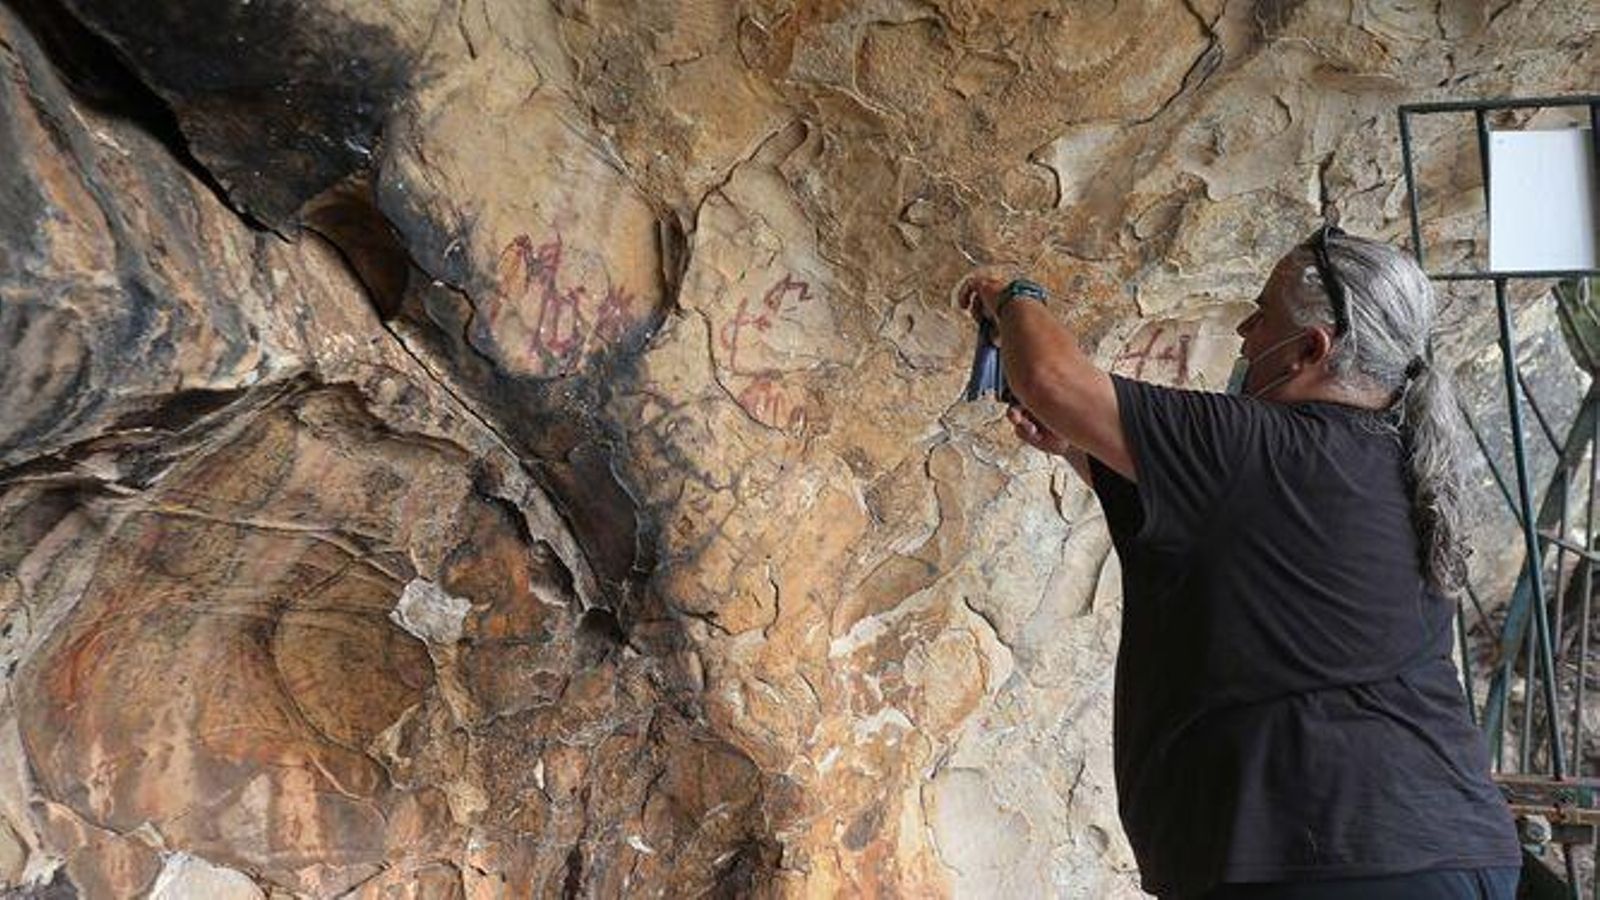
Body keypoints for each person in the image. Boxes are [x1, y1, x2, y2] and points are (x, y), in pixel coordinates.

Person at [958, 227, 1523, 900]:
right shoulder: (1395, 462)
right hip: (1445, 844)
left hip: (1328, 855)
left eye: (1262, 315)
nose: (1247, 332)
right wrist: (1079, 450)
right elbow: (1234, 531)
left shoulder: (1263, 446)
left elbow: (1050, 380)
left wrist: (1013, 294)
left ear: (1312, 349)